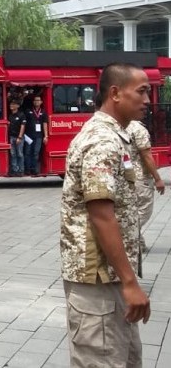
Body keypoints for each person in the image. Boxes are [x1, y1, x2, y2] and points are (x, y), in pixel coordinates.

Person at [61, 62, 151, 367]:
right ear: (115, 93)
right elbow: (101, 214)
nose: (148, 100)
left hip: (109, 279)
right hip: (98, 282)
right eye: (142, 91)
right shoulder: (102, 140)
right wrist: (129, 282)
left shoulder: (117, 136)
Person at [126, 117, 166, 252]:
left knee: (132, 210)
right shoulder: (139, 129)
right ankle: (126, 237)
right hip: (140, 176)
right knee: (144, 211)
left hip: (126, 175)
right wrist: (157, 178)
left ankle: (139, 244)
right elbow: (146, 155)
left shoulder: (123, 126)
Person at [24, 95, 48, 175]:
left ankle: (34, 169)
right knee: (27, 152)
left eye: (38, 100)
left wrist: (46, 136)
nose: (36, 101)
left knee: (36, 152)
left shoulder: (43, 112)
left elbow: (45, 124)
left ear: (41, 102)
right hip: (28, 136)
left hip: (38, 136)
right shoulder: (28, 111)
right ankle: (27, 169)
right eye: (35, 100)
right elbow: (23, 123)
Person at [7, 100, 26, 176]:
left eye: (13, 104)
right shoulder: (10, 116)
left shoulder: (21, 115)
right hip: (12, 137)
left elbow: (23, 126)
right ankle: (15, 170)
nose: (11, 105)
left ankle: (21, 170)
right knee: (13, 154)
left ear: (18, 106)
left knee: (20, 154)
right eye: (11, 104)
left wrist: (20, 137)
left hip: (19, 137)